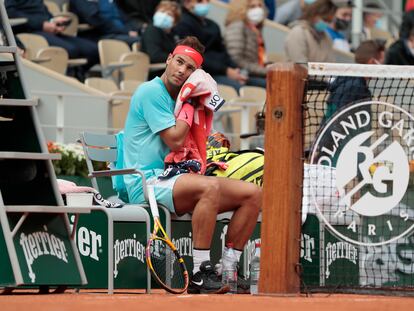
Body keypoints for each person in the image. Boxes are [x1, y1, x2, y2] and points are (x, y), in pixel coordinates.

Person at [122, 36, 262, 294]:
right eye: (179, 62)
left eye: (190, 68)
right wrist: (190, 104)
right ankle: (199, 272)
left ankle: (227, 269)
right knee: (210, 188)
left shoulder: (183, 98)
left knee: (253, 194)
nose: (181, 70)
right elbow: (175, 140)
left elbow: (186, 140)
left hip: (174, 177)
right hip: (145, 182)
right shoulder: (151, 92)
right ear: (168, 60)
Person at [174, 0, 248, 92]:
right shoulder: (183, 23)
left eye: (207, 1)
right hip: (202, 72)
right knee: (238, 88)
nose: (205, 3)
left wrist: (235, 69)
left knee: (258, 84)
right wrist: (226, 71)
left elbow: (223, 52)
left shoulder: (213, 25)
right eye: (200, 1)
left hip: (224, 71)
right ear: (187, 3)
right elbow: (193, 56)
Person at [5, 0, 99, 72]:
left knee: (93, 50)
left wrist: (54, 20)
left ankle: (78, 76)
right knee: (70, 50)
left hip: (49, 30)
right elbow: (9, 13)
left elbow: (44, 12)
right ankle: (69, 78)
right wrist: (42, 24)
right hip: (31, 31)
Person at [324, 39, 385, 123]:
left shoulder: (353, 82)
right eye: (381, 60)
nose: (383, 64)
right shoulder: (355, 87)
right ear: (372, 62)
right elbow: (338, 121)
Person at [224, 0, 268, 89]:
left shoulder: (255, 29)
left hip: (252, 73)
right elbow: (236, 60)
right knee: (273, 85)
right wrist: (264, 71)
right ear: (241, 9)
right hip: (241, 74)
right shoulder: (237, 26)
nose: (258, 9)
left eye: (260, 6)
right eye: (252, 6)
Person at [284, 0, 337, 64]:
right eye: (325, 19)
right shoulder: (298, 33)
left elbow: (331, 63)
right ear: (313, 14)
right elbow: (299, 65)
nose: (327, 24)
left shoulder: (326, 37)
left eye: (329, 21)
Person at [69, 0, 140, 46]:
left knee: (145, 37)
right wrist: (126, 32)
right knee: (142, 41)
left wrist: (133, 29)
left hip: (121, 33)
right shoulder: (83, 2)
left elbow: (125, 18)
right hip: (101, 35)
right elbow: (98, 21)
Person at [140, 1, 180, 78]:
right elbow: (155, 56)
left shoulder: (173, 35)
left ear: (175, 22)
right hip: (155, 74)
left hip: (168, 72)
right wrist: (177, 59)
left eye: (169, 14)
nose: (164, 16)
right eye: (162, 11)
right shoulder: (152, 30)